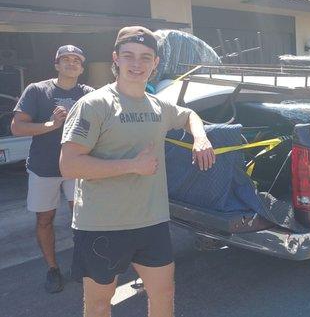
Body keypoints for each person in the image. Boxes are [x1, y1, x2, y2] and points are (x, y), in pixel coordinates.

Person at [60, 26, 215, 317]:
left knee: (164, 293)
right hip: (101, 226)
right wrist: (132, 166)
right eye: (129, 56)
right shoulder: (93, 105)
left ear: (155, 63)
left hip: (151, 222)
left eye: (146, 57)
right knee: (98, 305)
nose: (137, 64)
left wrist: (201, 137)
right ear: (115, 58)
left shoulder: (158, 106)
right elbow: (69, 165)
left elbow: (189, 115)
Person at [11, 45, 94, 293]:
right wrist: (52, 124)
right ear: (56, 64)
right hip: (43, 168)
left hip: (77, 166)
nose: (71, 63)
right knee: (45, 220)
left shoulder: (89, 93)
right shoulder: (37, 90)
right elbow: (17, 128)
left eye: (76, 60)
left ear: (82, 66)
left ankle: (82, 264)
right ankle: (53, 269)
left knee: (81, 218)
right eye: (65, 59)